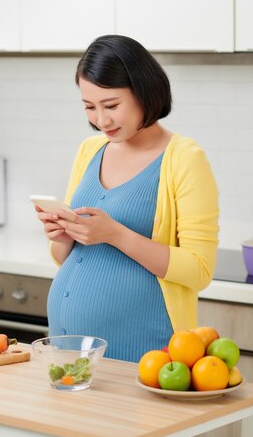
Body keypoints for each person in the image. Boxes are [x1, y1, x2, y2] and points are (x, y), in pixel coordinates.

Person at [36, 35, 219, 363]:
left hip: (146, 352)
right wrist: (64, 236)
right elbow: (69, 258)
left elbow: (199, 270)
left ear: (144, 92)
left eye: (111, 105)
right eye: (89, 107)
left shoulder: (184, 158)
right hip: (69, 351)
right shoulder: (90, 150)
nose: (101, 121)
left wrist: (115, 234)